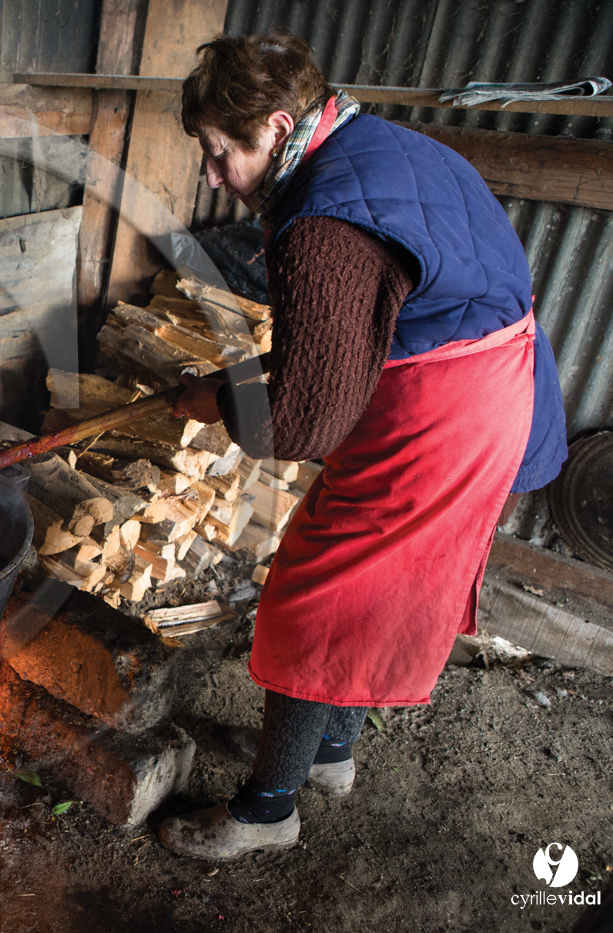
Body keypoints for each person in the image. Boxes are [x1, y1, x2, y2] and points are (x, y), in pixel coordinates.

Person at [157, 29, 568, 860]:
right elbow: (346, 338)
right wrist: (240, 379)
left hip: (444, 412)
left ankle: (269, 810)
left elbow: (304, 423)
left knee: (321, 599)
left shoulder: (323, 224)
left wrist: (225, 399)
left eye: (218, 150)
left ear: (276, 127)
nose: (211, 175)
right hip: (493, 381)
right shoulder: (377, 144)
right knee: (377, 587)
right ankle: (327, 753)